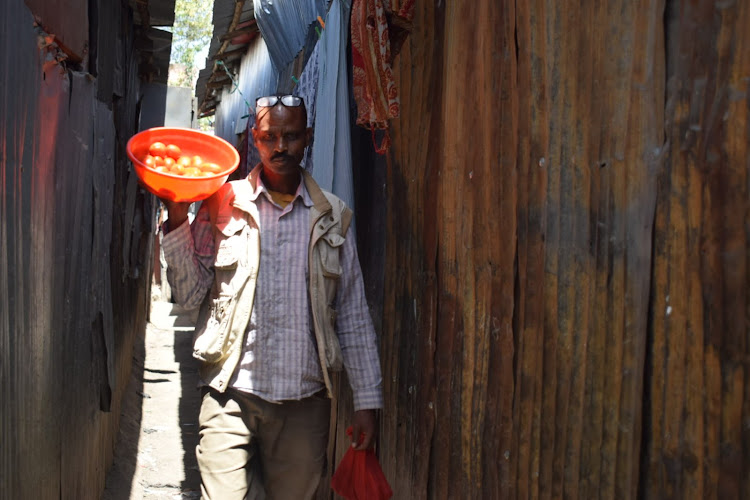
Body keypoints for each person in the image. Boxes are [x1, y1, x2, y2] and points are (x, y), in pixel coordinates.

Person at [159, 94, 383, 499]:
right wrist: (177, 218)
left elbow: (352, 314)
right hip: (230, 395)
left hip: (304, 402)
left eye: (292, 136)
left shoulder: (332, 217)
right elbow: (190, 296)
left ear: (308, 138)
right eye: (269, 137)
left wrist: (366, 400)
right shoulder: (223, 204)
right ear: (255, 140)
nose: (281, 147)